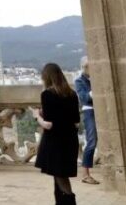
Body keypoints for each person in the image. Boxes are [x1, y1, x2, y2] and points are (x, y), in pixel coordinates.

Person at [36, 63, 81, 204]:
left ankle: (70, 202)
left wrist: (37, 116)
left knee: (60, 177)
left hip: (55, 141)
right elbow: (76, 120)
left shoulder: (47, 95)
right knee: (60, 176)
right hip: (70, 139)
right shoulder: (72, 94)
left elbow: (48, 124)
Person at [75, 58, 98, 185]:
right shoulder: (79, 81)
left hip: (99, 111)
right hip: (89, 112)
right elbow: (84, 98)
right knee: (92, 141)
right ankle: (85, 174)